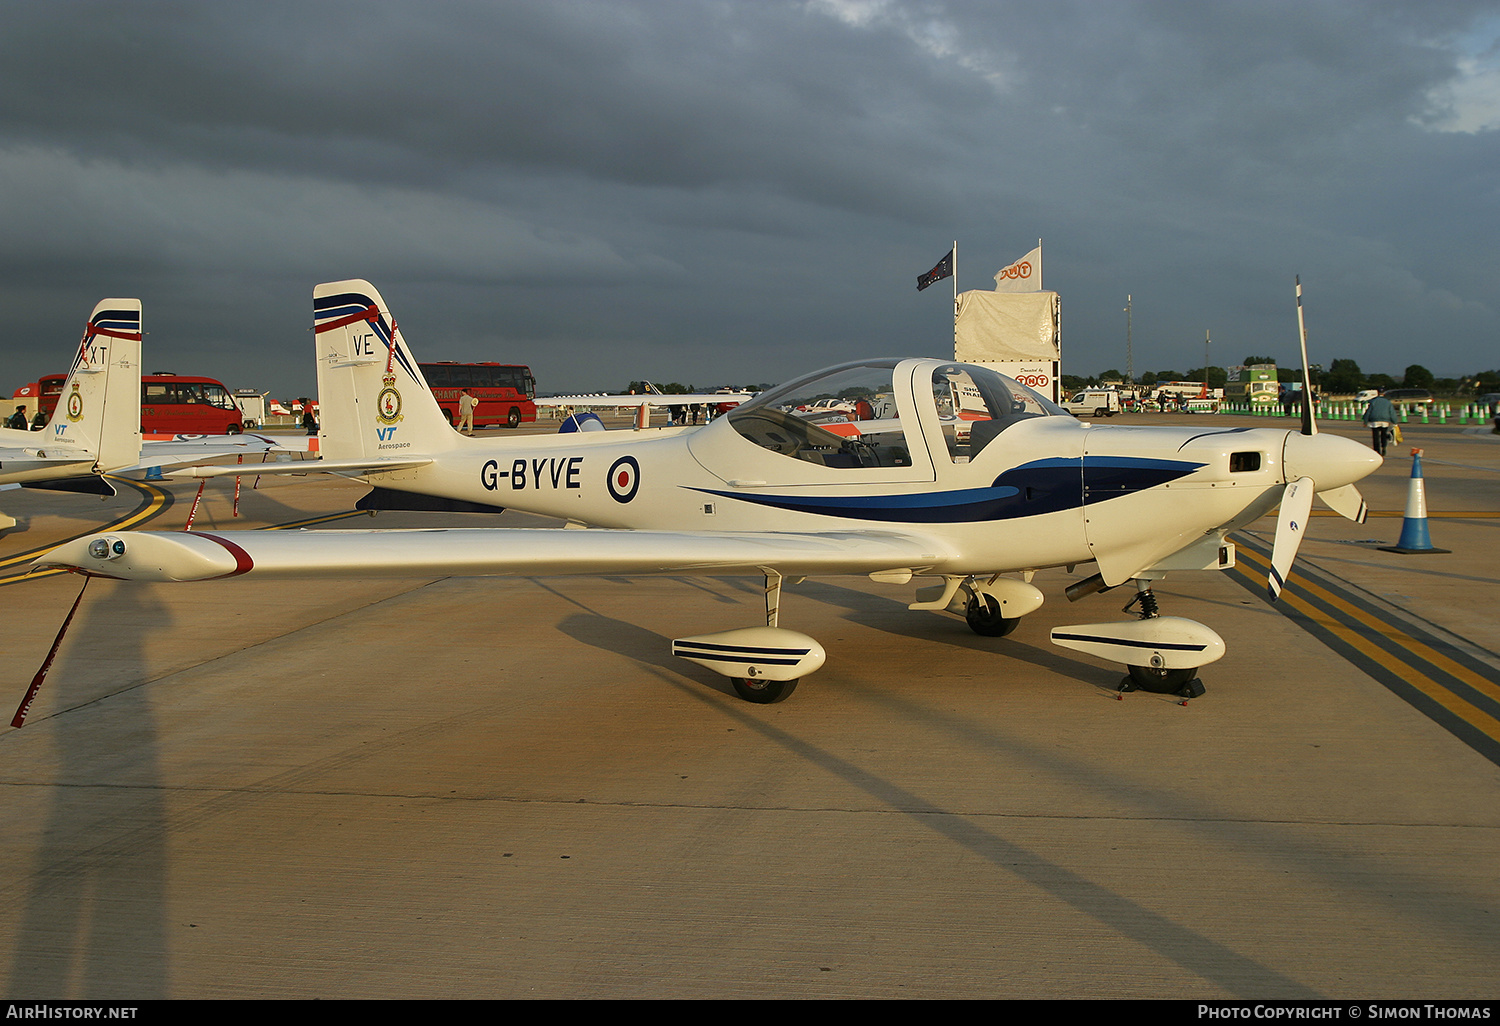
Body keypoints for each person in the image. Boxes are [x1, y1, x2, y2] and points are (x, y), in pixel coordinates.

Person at [1363, 387, 1396, 455]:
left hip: (1374, 421)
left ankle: (1377, 450)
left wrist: (1365, 421)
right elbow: (1392, 412)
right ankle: (1384, 447)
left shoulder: (1373, 401)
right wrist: (1394, 421)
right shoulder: (1388, 402)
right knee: (1383, 435)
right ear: (1384, 393)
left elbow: (1368, 412)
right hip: (1385, 421)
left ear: (1377, 393)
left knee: (1375, 436)